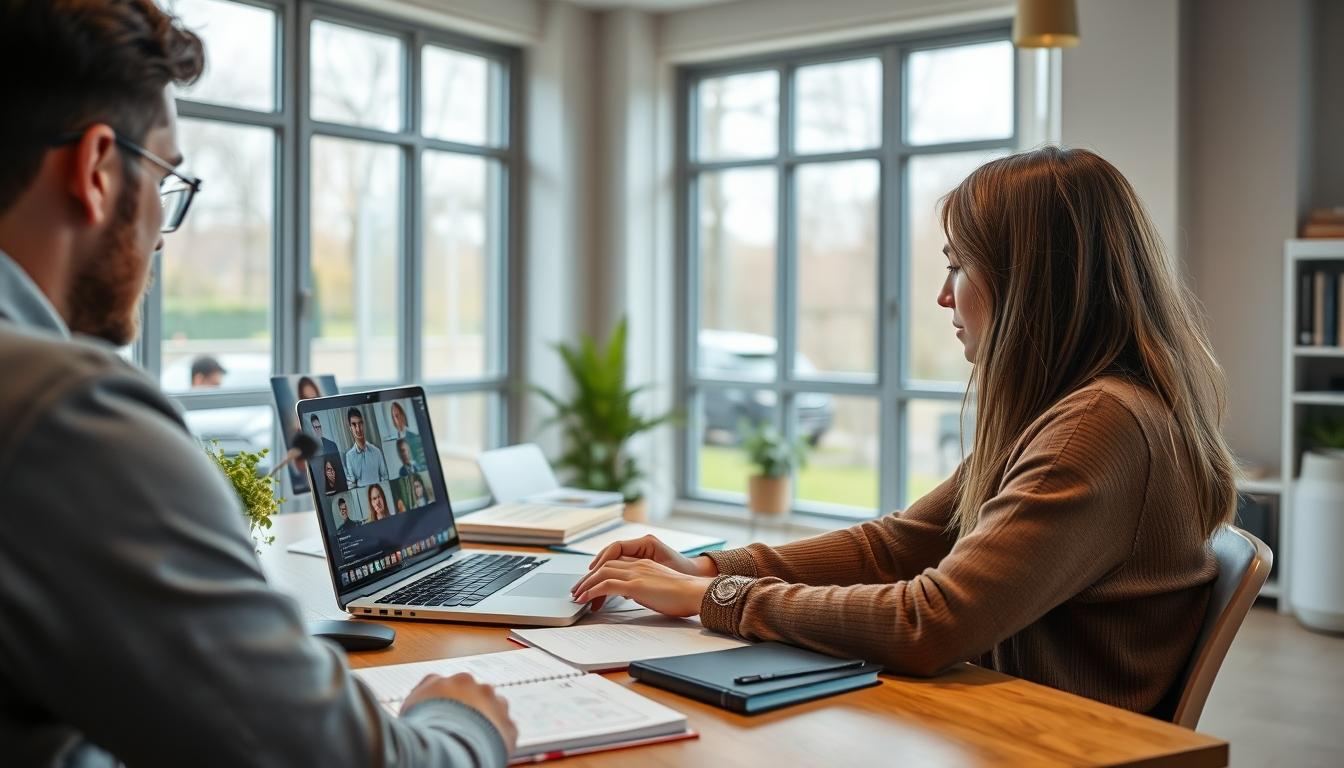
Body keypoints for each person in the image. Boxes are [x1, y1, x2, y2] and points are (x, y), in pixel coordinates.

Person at [0, 1, 515, 764]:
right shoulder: (64, 409)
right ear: (99, 170)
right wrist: (462, 724)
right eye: (167, 179)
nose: (161, 240)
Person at [571, 146, 1238, 717]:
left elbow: (931, 621)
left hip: (1050, 741)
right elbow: (901, 544)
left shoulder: (1098, 426)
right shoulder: (1070, 410)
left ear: (1031, 284)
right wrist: (710, 567)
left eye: (958, 266)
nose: (944, 296)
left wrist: (716, 598)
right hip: (1001, 716)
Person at [344, 406, 389, 486]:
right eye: (354, 425)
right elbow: (352, 483)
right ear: (350, 428)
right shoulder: (349, 456)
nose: (358, 429)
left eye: (360, 423)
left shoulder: (376, 451)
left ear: (363, 424)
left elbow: (385, 477)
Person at [389, 400, 426, 465]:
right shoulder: (393, 440)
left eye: (397, 416)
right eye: (393, 417)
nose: (395, 420)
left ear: (402, 416)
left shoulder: (415, 437)